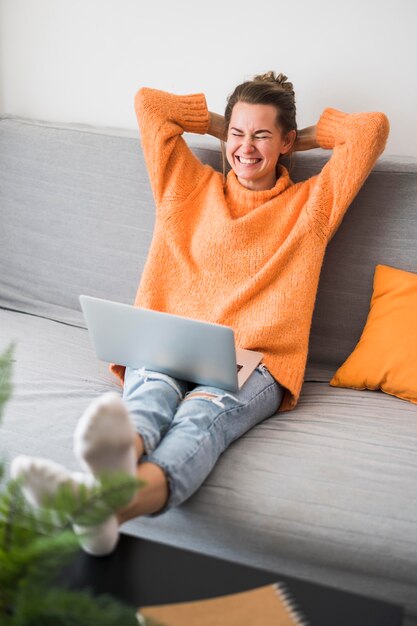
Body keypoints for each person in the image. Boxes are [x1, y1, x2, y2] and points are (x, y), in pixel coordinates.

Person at [11, 71, 390, 556]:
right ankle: (101, 500)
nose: (245, 148)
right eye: (237, 134)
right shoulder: (186, 185)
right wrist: (224, 125)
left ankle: (107, 507)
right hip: (169, 345)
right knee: (146, 405)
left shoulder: (310, 207)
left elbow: (370, 129)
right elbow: (151, 104)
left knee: (198, 422)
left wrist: (297, 139)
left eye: (261, 136)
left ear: (286, 143)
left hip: (258, 359)